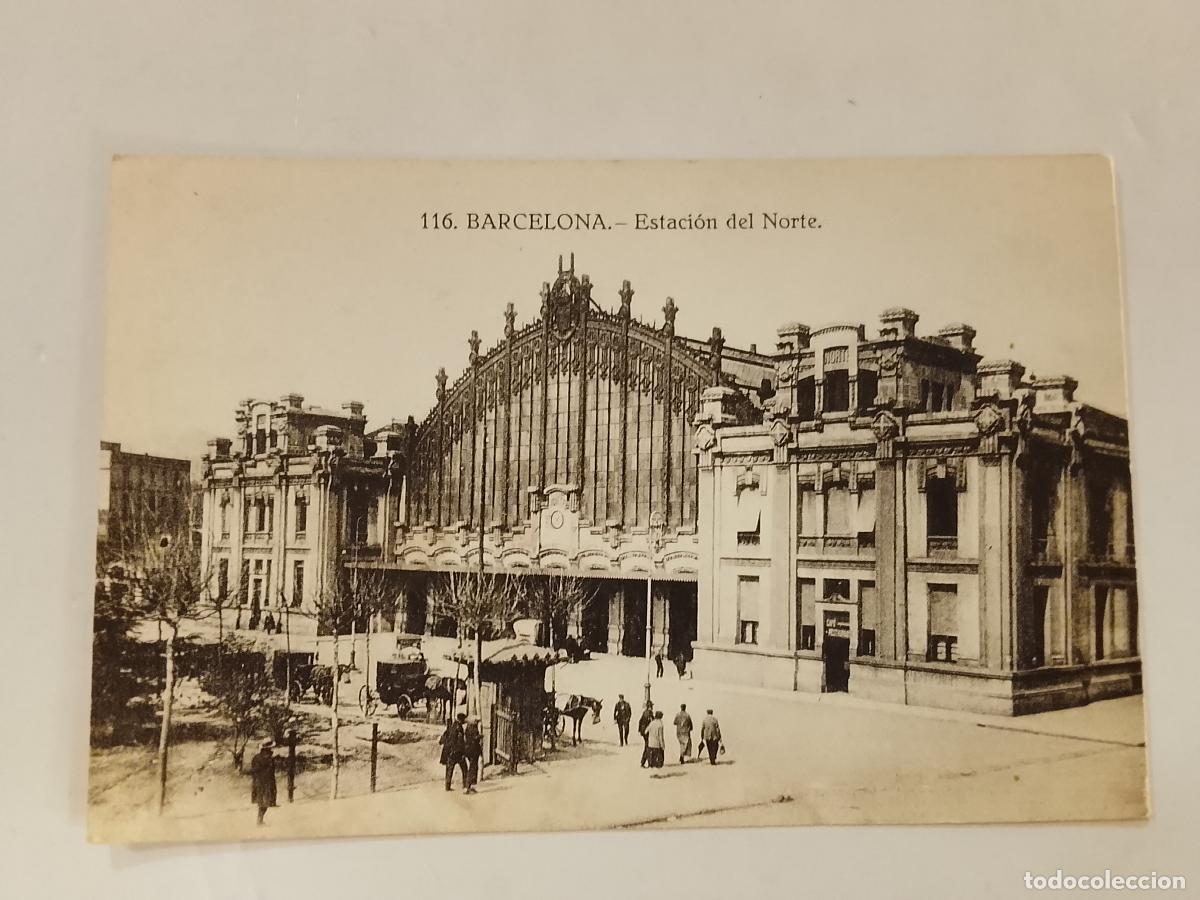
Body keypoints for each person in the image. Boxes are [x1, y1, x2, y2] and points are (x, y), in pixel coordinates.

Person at [250, 738, 277, 826]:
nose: (271, 749)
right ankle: (259, 820)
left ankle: (260, 819)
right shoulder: (268, 758)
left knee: (262, 802)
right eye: (270, 748)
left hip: (260, 782)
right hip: (265, 782)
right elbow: (257, 769)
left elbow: (254, 769)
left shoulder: (257, 757)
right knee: (265, 802)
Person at [439, 712, 468, 791]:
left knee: (449, 769)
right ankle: (465, 785)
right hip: (457, 753)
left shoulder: (453, 726)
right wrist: (462, 752)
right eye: (464, 719)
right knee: (464, 768)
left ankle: (447, 786)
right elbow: (459, 742)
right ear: (460, 720)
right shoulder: (459, 728)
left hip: (450, 752)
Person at [463, 715, 483, 794]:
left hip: (469, 750)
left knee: (473, 767)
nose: (476, 723)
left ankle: (470, 786)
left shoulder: (468, 728)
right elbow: (474, 738)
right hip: (473, 750)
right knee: (472, 768)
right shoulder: (473, 729)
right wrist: (480, 736)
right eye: (476, 721)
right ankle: (468, 786)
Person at [637, 702, 655, 767]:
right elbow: (652, 722)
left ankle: (645, 762)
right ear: (650, 706)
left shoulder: (645, 712)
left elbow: (640, 721)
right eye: (652, 706)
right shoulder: (649, 713)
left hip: (644, 732)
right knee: (648, 747)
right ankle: (646, 762)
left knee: (647, 746)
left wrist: (640, 730)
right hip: (647, 732)